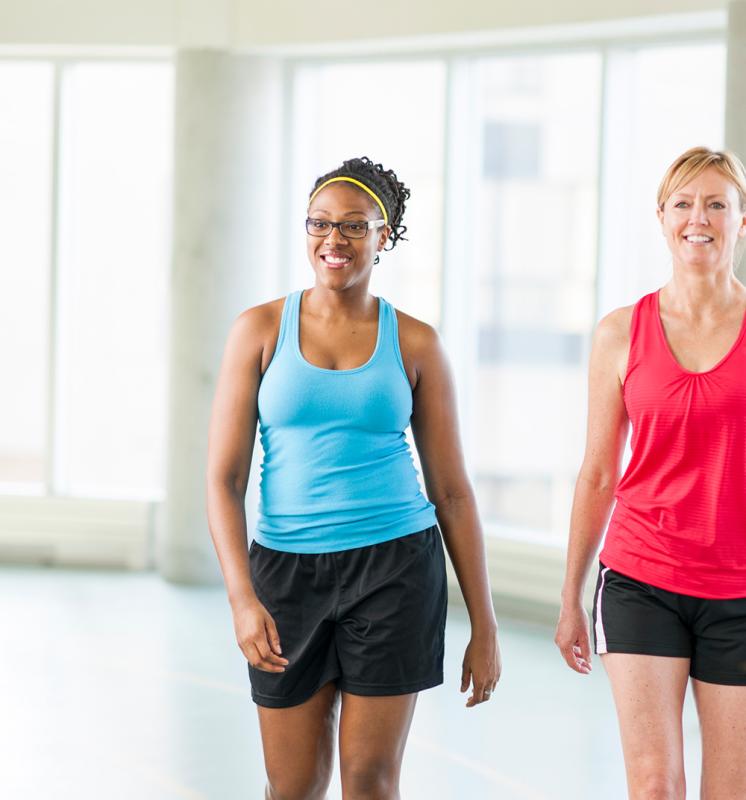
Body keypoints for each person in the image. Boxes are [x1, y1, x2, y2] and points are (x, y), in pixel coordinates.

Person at [207, 156, 501, 800]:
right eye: (319, 223)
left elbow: (450, 491)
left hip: (395, 569)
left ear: (384, 236)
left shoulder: (417, 343)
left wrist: (484, 622)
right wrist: (241, 597)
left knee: (369, 780)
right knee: (293, 785)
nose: (333, 240)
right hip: (286, 574)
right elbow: (223, 479)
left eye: (354, 226)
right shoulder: (258, 330)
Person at [555, 146, 746, 799]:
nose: (701, 218)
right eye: (685, 204)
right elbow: (599, 474)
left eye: (717, 204)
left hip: (740, 589)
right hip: (642, 580)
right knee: (656, 785)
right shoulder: (619, 333)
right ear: (662, 218)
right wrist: (570, 596)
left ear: (740, 220)